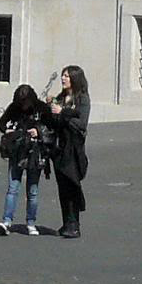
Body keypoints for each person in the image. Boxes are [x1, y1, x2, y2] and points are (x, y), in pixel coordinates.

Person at [0, 83, 51, 234]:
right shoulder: (14, 107)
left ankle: (31, 222)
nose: (23, 106)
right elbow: (1, 123)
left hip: (35, 151)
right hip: (18, 150)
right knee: (13, 188)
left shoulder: (41, 108)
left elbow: (51, 126)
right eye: (21, 103)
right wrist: (8, 131)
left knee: (33, 190)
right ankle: (7, 221)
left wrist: (38, 130)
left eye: (25, 102)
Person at [46, 65, 90, 239]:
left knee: (72, 185)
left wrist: (63, 112)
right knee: (62, 187)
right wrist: (50, 107)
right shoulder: (62, 97)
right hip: (59, 148)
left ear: (75, 79)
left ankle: (75, 225)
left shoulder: (82, 99)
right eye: (63, 76)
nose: (63, 79)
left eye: (67, 76)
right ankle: (66, 223)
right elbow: (54, 121)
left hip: (73, 149)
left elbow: (81, 124)